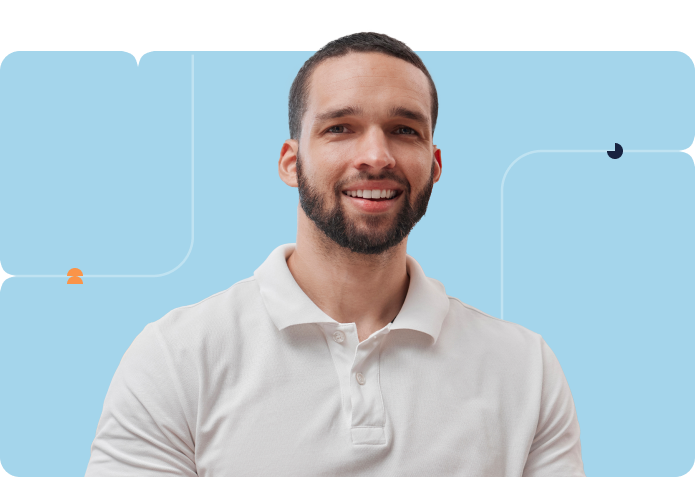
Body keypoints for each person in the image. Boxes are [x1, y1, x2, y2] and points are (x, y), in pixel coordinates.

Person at [85, 31, 586, 476]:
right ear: (291, 162)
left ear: (434, 165)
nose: (376, 156)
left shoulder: (526, 370)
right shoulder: (175, 359)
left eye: (404, 130)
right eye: (340, 128)